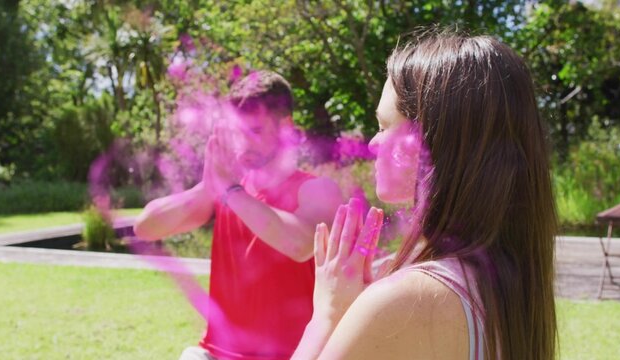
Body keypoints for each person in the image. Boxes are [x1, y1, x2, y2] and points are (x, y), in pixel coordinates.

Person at [293, 32, 558, 359]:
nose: (374, 144)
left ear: (434, 141)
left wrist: (328, 314)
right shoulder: (507, 287)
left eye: (384, 125)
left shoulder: (406, 300)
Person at [133, 71, 344, 360]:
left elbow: (299, 244)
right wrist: (208, 188)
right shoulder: (228, 191)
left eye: (254, 131)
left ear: (285, 127)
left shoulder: (317, 189)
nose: (243, 142)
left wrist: (230, 190)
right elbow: (145, 227)